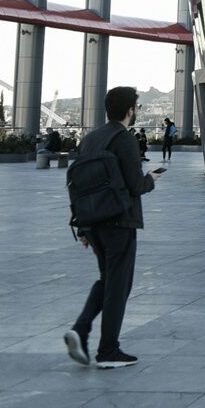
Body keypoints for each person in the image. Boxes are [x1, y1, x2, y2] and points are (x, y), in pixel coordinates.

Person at [64, 86, 159, 369]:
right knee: (119, 285)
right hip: (119, 221)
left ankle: (81, 330)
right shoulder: (124, 139)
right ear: (131, 110)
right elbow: (135, 185)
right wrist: (152, 178)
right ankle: (108, 351)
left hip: (92, 222)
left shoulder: (90, 139)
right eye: (137, 107)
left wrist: (83, 227)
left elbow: (78, 185)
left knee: (108, 280)